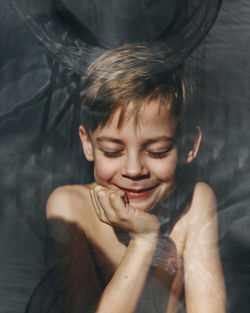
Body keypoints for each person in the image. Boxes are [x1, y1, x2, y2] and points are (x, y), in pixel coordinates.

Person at [43, 44, 226, 313]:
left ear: (189, 147)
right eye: (112, 151)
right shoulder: (69, 207)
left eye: (157, 151)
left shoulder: (195, 202)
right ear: (88, 144)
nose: (133, 170)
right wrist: (144, 241)